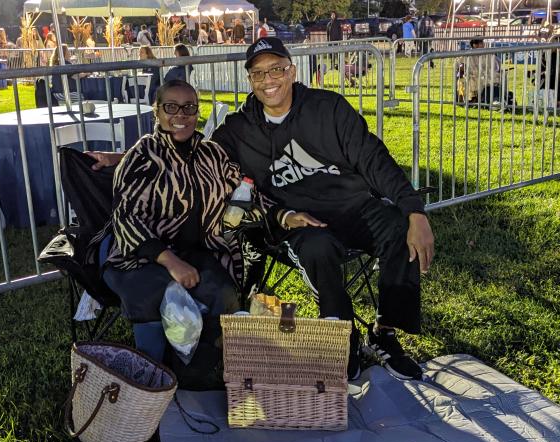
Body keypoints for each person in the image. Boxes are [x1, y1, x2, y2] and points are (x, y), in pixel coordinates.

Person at [211, 37, 435, 382]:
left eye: (277, 70)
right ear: (250, 80)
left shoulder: (328, 108)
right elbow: (197, 157)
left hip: (352, 206)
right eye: (258, 74)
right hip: (298, 220)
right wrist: (122, 158)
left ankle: (384, 333)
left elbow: (372, 158)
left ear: (293, 71)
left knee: (396, 227)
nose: (269, 80)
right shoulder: (239, 130)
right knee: (318, 247)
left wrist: (414, 211)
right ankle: (342, 337)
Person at [88, 79, 242, 387]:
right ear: (157, 113)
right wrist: (169, 260)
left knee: (223, 292)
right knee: (151, 293)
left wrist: (285, 215)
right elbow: (125, 217)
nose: (181, 115)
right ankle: (151, 380)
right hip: (135, 254)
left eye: (189, 107)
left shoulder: (212, 154)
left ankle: (202, 375)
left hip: (197, 251)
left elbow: (242, 191)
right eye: (171, 107)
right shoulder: (141, 155)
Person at [456, 37, 503, 105]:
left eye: (482, 43)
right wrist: (463, 67)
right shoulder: (467, 55)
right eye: (481, 43)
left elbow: (497, 65)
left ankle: (494, 98)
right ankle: (476, 98)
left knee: (494, 78)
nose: (483, 45)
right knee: (474, 80)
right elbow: (460, 65)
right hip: (473, 76)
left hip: (487, 76)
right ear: (475, 45)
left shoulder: (488, 54)